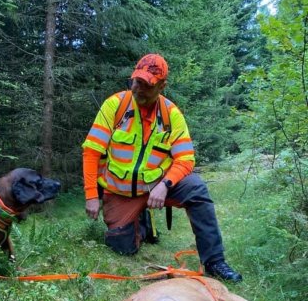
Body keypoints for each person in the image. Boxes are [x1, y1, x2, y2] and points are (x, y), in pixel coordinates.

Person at [81, 53, 242, 282]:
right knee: (121, 247)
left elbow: (186, 159)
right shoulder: (115, 105)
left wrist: (165, 185)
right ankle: (142, 223)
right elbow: (91, 151)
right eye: (137, 81)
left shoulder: (171, 114)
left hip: (158, 185)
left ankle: (215, 262)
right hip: (120, 190)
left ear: (162, 86)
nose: (139, 89)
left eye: (147, 85)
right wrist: (90, 195)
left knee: (197, 189)